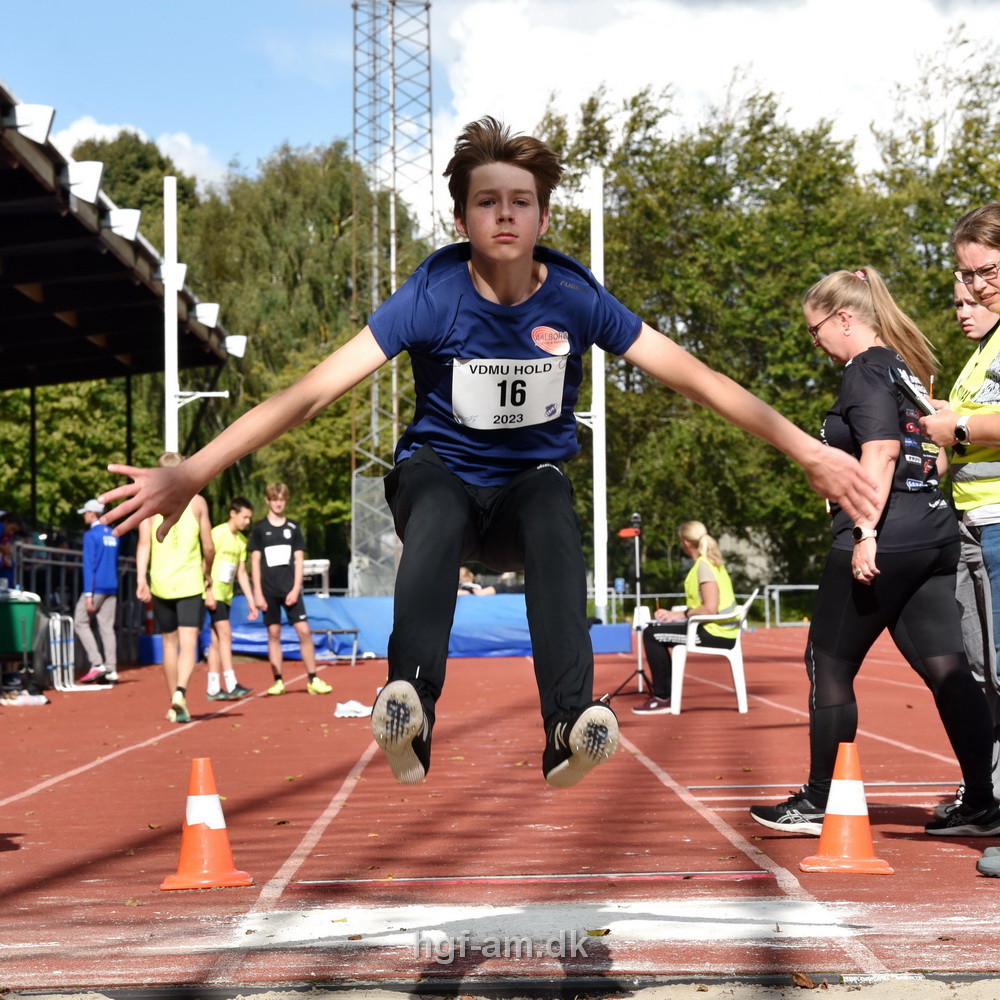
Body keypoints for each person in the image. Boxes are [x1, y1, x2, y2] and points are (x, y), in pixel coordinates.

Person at [99, 116, 877, 789]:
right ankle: (409, 702)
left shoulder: (574, 299)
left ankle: (569, 723)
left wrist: (806, 449)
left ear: (541, 216)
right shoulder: (433, 295)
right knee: (433, 504)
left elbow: (698, 378)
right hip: (440, 476)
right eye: (487, 202)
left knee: (552, 507)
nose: (504, 215)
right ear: (463, 216)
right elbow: (310, 393)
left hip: (520, 494)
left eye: (520, 202)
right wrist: (193, 469)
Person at [750, 266, 1000, 838]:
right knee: (947, 669)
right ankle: (984, 802)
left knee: (829, 663)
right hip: (933, 530)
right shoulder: (904, 368)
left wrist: (865, 530)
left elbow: (882, 452)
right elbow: (926, 453)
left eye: (815, 332)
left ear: (844, 318)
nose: (815, 344)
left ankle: (819, 800)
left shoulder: (863, 369)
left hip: (888, 534)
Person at [920, 210, 1000, 813]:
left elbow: (972, 431)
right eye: (965, 276)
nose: (973, 290)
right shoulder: (981, 354)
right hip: (976, 524)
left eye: (986, 272)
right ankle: (990, 797)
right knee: (984, 669)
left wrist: (958, 425)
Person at [135, 452, 215, 724]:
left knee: (169, 643)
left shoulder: (150, 503)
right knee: (188, 641)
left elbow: (143, 543)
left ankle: (174, 702)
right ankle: (181, 691)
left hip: (161, 582)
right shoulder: (197, 503)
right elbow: (208, 545)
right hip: (190, 582)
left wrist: (141, 579)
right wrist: (208, 571)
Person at [632, 521, 738, 716]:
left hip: (715, 633)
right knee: (657, 631)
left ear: (685, 542)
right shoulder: (710, 563)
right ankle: (668, 694)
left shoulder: (704, 566)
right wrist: (676, 616)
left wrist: (679, 615)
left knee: (652, 634)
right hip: (718, 629)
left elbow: (710, 608)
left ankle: (663, 697)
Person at [249, 482, 331, 697]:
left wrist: (296, 588)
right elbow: (255, 562)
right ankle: (278, 680)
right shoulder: (259, 529)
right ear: (267, 500)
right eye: (274, 499)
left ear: (286, 500)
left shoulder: (293, 528)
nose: (278, 503)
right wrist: (257, 592)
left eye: (282, 499)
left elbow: (299, 560)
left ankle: (313, 679)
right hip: (268, 590)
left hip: (290, 589)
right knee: (273, 633)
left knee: (303, 631)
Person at [205, 497, 257, 701]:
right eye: (244, 517)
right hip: (213, 591)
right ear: (232, 514)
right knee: (225, 633)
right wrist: (208, 590)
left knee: (217, 640)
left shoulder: (241, 541)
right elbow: (204, 561)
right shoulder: (217, 534)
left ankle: (212, 687)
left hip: (226, 594)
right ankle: (231, 682)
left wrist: (251, 601)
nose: (247, 522)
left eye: (249, 519)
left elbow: (241, 573)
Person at [74, 499, 120, 684]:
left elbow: (89, 566)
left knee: (80, 621)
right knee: (107, 627)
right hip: (111, 585)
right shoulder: (114, 534)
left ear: (93, 513)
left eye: (86, 512)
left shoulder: (90, 535)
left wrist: (88, 594)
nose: (84, 515)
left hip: (97, 586)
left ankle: (96, 663)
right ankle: (111, 669)